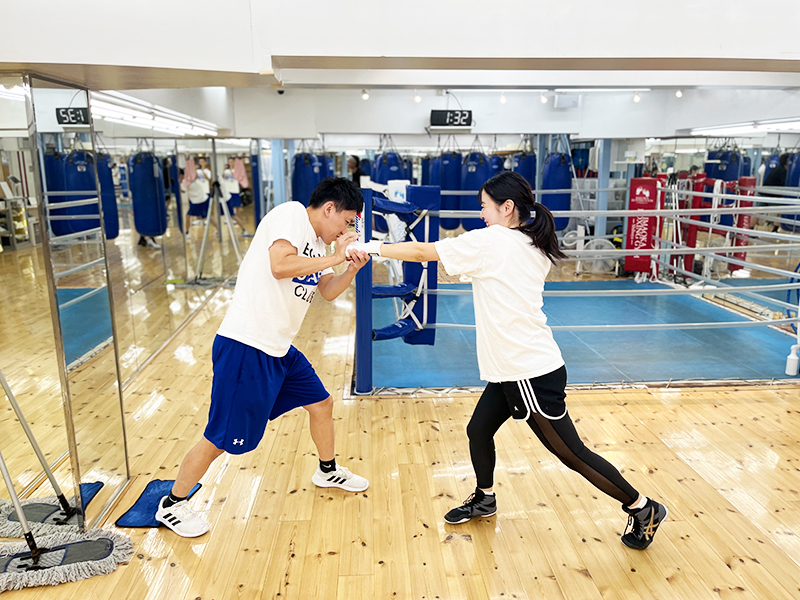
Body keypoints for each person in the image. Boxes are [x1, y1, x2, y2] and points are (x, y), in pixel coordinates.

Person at [347, 171, 668, 550]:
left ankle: (641, 506)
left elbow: (422, 253)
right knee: (478, 430)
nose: (481, 213)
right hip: (513, 369)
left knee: (570, 453)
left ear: (507, 207)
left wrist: (370, 246)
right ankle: (485, 496)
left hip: (528, 373)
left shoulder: (493, 241)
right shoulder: (532, 245)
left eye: (485, 206)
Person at [155, 177, 371, 537]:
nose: (345, 230)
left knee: (321, 403)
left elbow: (329, 292)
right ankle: (173, 504)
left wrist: (349, 268)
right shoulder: (292, 216)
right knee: (220, 437)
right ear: (329, 207)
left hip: (280, 350)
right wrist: (335, 255)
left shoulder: (319, 243)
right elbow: (280, 266)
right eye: (347, 221)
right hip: (247, 346)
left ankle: (327, 469)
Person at [219, 166, 251, 236]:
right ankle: (218, 231)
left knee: (234, 213)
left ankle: (243, 229)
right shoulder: (222, 176)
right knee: (220, 215)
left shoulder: (236, 170)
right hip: (224, 197)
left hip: (228, 197)